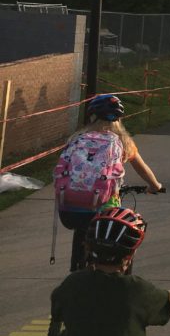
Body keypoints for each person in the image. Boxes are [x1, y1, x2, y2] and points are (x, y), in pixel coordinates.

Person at [50, 207, 170, 336]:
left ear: (89, 248)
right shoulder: (138, 291)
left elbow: (57, 309)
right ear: (129, 255)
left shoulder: (72, 284)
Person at [55, 94, 163, 271]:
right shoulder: (123, 142)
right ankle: (123, 277)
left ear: (92, 117)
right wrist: (155, 186)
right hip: (104, 207)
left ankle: (77, 271)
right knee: (123, 239)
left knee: (82, 233)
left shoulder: (77, 138)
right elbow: (143, 169)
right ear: (119, 119)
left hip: (70, 208)